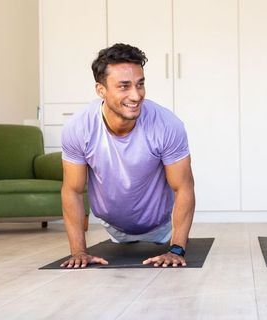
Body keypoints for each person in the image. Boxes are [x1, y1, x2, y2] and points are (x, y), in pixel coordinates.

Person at [60, 43, 195, 268]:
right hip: (113, 227)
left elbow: (184, 187)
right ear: (100, 90)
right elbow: (72, 190)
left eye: (140, 84)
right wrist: (78, 251)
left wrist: (176, 248)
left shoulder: (167, 125)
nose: (136, 95)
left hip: (163, 228)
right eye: (124, 86)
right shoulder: (78, 127)